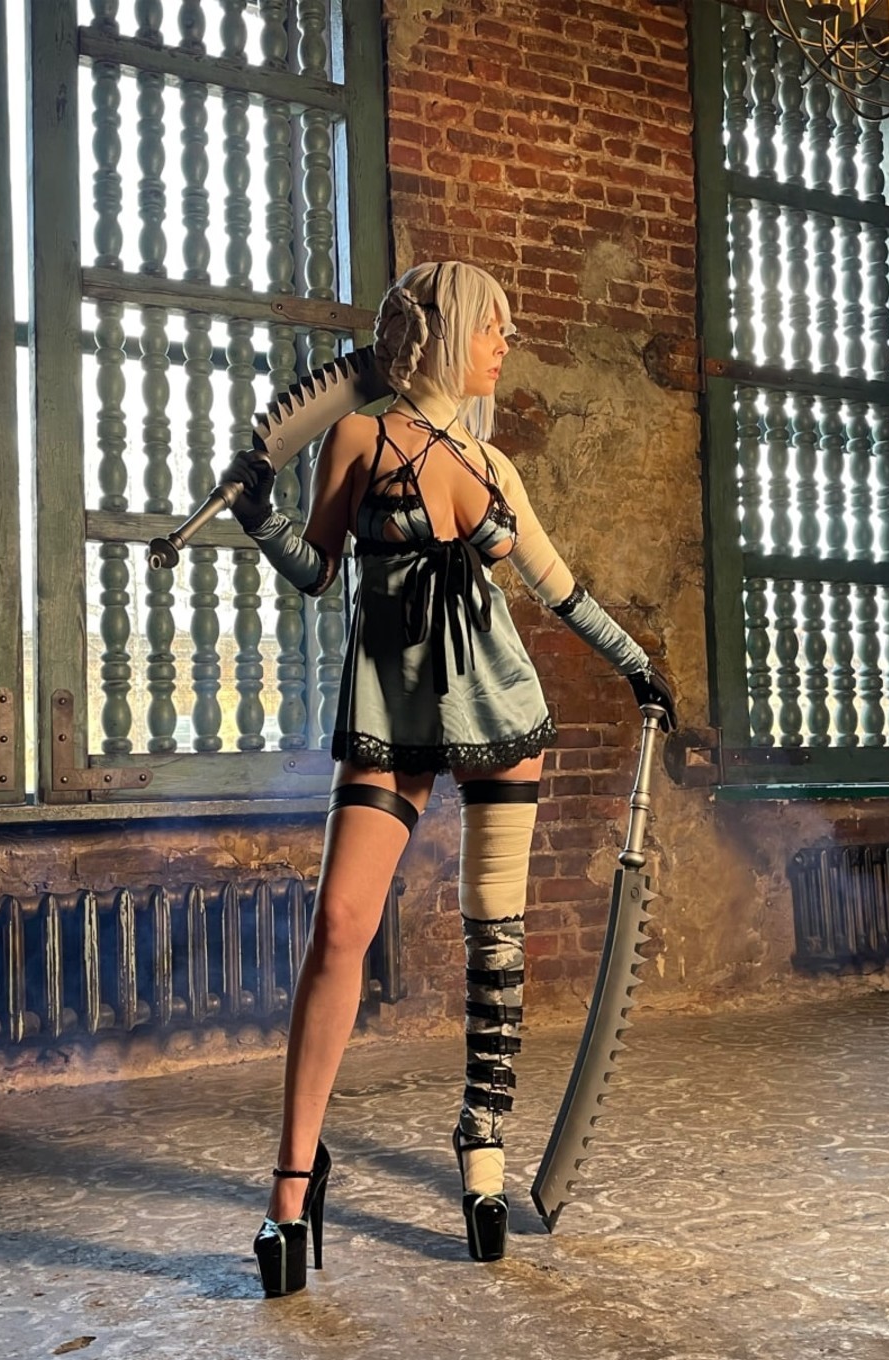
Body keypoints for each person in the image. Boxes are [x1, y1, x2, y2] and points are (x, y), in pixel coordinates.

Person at [222, 260, 676, 1297]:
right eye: (491, 326)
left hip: (498, 710)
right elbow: (318, 568)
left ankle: (483, 1146)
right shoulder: (357, 436)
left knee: (494, 938)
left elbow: (557, 587)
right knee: (341, 926)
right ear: (442, 332)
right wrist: (257, 517)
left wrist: (639, 667)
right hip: (391, 718)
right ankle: (292, 1181)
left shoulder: (493, 463)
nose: (505, 342)